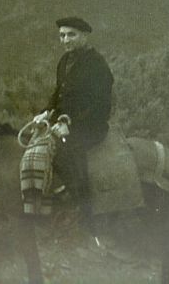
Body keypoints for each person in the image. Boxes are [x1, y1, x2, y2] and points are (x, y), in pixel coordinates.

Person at [32, 16, 114, 233]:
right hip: (62, 123)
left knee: (68, 153)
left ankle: (88, 218)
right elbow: (58, 93)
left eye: (71, 35)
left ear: (84, 36)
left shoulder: (97, 65)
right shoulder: (65, 61)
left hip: (90, 126)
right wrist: (46, 112)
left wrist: (71, 125)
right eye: (62, 35)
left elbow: (101, 106)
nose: (65, 40)